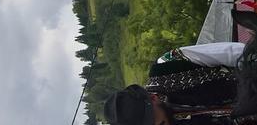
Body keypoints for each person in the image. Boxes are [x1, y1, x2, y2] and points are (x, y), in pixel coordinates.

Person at [103, 43, 244, 125]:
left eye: (151, 121)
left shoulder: (167, 65)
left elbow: (232, 53)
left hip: (255, 79)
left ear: (152, 98)